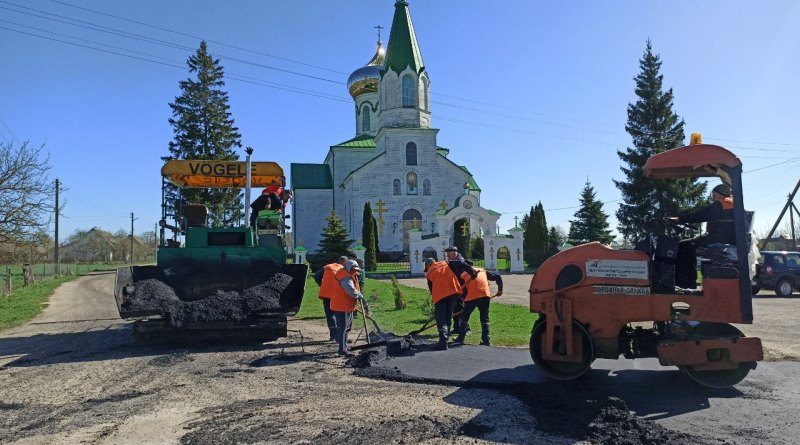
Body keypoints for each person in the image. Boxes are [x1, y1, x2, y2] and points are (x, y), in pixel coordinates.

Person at [671, 184, 736, 289]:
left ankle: (685, 282)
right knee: (687, 244)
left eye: (714, 193)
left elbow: (700, 215)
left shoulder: (721, 204)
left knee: (684, 245)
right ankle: (688, 281)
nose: (712, 196)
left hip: (718, 239)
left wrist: (680, 219)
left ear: (720, 194)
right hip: (725, 238)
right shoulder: (731, 203)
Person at [453, 267, 503, 346]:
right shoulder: (483, 271)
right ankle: (486, 340)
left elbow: (463, 292)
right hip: (485, 295)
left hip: (472, 296)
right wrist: (500, 290)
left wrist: (464, 303)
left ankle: (460, 339)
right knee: (484, 318)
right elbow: (498, 277)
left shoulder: (463, 275)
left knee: (464, 317)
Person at [325, 259, 363, 357]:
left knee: (347, 328)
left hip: (345, 305)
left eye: (356, 270)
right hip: (341, 306)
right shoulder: (345, 278)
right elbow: (351, 291)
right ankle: (342, 349)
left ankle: (344, 346)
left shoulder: (347, 274)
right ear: (348, 268)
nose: (355, 272)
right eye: (353, 270)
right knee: (343, 328)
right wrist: (359, 295)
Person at [424, 257, 465, 350]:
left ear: (428, 265)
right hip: (453, 293)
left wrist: (435, 300)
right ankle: (445, 341)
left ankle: (443, 343)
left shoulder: (430, 272)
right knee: (448, 317)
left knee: (441, 319)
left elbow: (431, 289)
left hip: (440, 296)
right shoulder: (445, 264)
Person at [313, 256, 349, 341]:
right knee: (338, 314)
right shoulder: (343, 269)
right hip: (338, 294)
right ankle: (340, 337)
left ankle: (333, 336)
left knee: (330, 315)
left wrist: (322, 285)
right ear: (344, 262)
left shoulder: (328, 267)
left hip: (326, 294)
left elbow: (316, 276)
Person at [443, 246, 477, 336]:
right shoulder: (451, 262)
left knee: (461, 308)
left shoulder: (460, 262)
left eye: (448, 253)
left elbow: (471, 270)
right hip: (453, 288)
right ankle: (457, 328)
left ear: (454, 253)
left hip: (461, 288)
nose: (447, 255)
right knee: (454, 308)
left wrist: (473, 275)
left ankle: (466, 328)